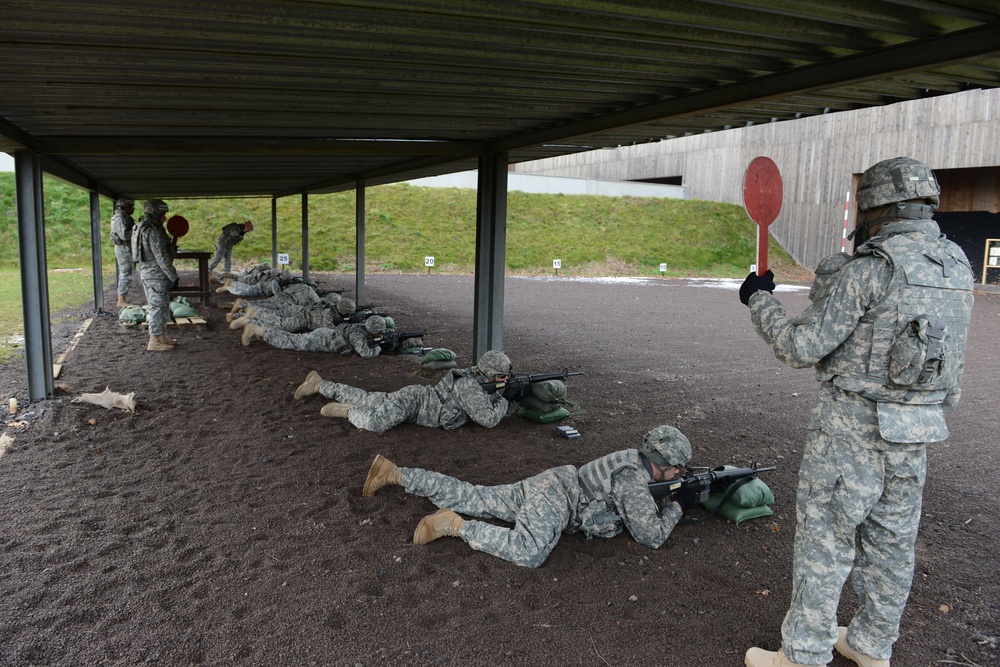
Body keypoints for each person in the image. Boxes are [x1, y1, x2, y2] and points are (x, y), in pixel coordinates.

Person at [739, 157, 975, 667]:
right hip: (916, 434)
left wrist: (760, 301)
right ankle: (871, 647)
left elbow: (801, 347)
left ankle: (803, 655)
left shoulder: (871, 270)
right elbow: (951, 365)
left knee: (826, 543)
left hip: (850, 435)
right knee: (892, 548)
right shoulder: (957, 266)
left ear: (875, 206)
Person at [360, 424, 692, 568]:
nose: (679, 473)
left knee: (475, 496)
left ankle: (395, 473)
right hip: (554, 502)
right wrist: (679, 505)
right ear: (661, 462)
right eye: (677, 468)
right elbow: (651, 536)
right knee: (530, 552)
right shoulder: (632, 480)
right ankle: (455, 526)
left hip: (549, 484)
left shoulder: (631, 459)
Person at [293, 350, 520, 432]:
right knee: (376, 423)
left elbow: (492, 406)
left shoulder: (479, 377)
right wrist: (505, 398)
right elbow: (489, 420)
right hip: (413, 404)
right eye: (502, 377)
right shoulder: (469, 385)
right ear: (489, 373)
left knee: (369, 397)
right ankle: (348, 411)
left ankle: (320, 384)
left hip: (418, 400)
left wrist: (514, 398)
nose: (505, 380)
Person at [132, 199, 180, 352]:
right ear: (157, 213)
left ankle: (160, 336)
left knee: (161, 305)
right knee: (157, 307)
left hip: (148, 272)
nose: (165, 217)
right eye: (163, 214)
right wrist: (173, 276)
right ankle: (154, 340)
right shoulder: (154, 231)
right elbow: (162, 256)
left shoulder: (140, 227)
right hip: (156, 274)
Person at [241, 313, 385, 359]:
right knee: (291, 342)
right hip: (322, 340)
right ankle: (257, 330)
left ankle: (261, 331)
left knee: (293, 338)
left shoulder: (360, 329)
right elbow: (365, 353)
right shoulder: (358, 335)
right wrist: (378, 349)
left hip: (325, 335)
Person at [109, 197, 137, 308]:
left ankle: (122, 298)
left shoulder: (125, 218)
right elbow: (125, 235)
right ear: (125, 207)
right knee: (126, 273)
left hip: (127, 250)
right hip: (124, 251)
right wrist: (136, 229)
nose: (133, 209)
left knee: (127, 273)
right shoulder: (119, 219)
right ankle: (121, 299)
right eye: (131, 207)